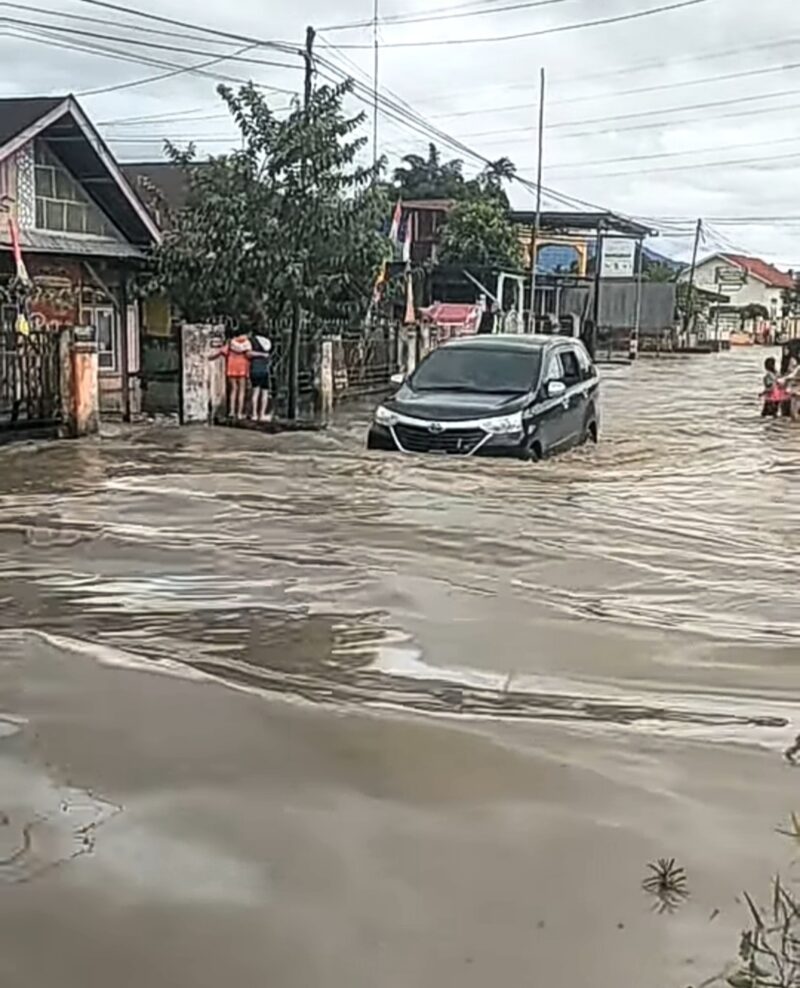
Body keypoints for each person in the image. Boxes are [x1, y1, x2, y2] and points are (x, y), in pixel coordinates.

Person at [210, 329, 251, 420]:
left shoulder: (231, 343)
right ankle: (239, 413)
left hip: (232, 367)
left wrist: (210, 357)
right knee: (241, 391)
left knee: (233, 390)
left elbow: (221, 351)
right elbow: (249, 354)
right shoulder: (247, 343)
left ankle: (231, 412)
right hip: (243, 368)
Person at [249, 333, 272, 422]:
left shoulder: (252, 341)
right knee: (264, 393)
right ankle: (261, 414)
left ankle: (254, 414)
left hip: (254, 369)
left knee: (255, 392)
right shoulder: (267, 343)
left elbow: (249, 353)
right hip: (264, 370)